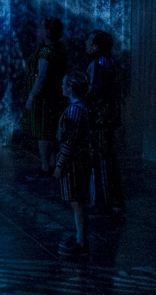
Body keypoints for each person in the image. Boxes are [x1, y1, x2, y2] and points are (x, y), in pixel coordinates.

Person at [85, 30, 124, 214]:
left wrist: (83, 100)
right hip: (107, 116)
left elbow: (95, 90)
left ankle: (105, 201)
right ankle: (112, 199)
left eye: (89, 41)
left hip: (100, 118)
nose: (85, 43)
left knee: (102, 158)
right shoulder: (109, 62)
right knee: (107, 157)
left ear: (96, 46)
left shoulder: (98, 64)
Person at [53, 71, 92, 257]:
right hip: (80, 159)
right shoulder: (82, 108)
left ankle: (81, 240)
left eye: (64, 84)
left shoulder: (74, 111)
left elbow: (69, 141)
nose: (61, 87)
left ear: (71, 88)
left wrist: (60, 164)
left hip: (74, 162)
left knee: (76, 201)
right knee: (78, 200)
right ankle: (80, 237)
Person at [23, 16, 68, 175]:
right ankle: (52, 163)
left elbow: (42, 76)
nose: (39, 31)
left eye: (41, 28)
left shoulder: (46, 51)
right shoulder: (59, 49)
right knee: (51, 129)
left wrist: (32, 96)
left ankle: (45, 165)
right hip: (54, 95)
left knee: (44, 130)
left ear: (48, 31)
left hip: (44, 97)